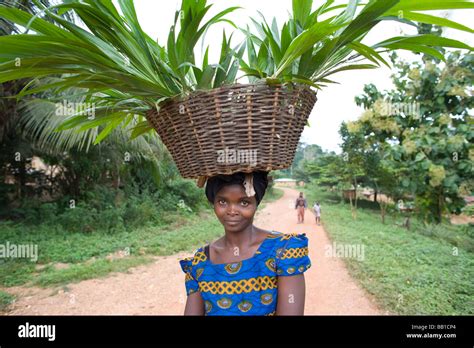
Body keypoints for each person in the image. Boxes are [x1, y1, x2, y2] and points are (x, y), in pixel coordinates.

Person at [179, 171, 311, 316]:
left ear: (256, 204)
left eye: (244, 202)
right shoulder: (200, 261)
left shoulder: (284, 251)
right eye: (222, 202)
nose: (232, 211)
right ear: (214, 203)